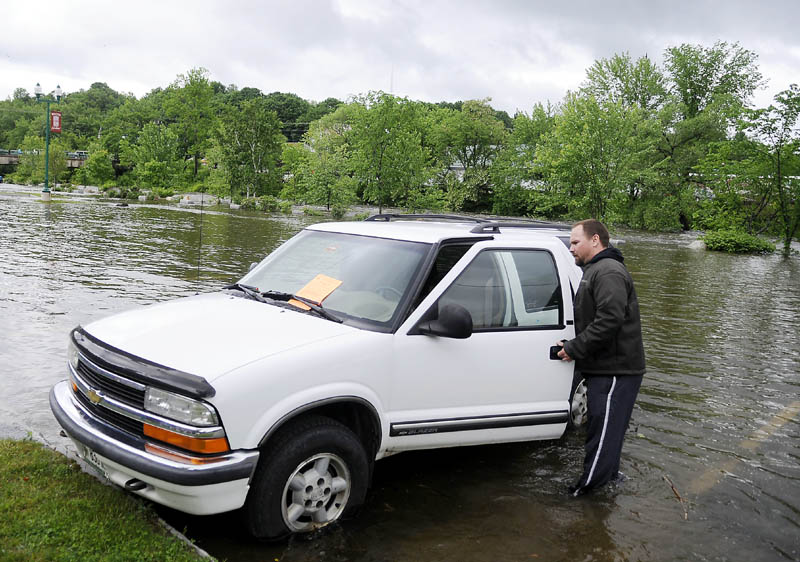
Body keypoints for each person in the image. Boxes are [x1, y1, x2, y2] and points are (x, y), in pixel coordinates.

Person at [557, 219, 645, 496]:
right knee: (607, 431)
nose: (570, 248)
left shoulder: (607, 272)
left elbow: (609, 320)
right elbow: (596, 320)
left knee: (603, 434)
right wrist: (572, 343)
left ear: (595, 240)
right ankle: (608, 483)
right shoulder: (596, 270)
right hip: (606, 366)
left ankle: (586, 493)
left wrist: (574, 348)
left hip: (616, 370)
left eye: (575, 242)